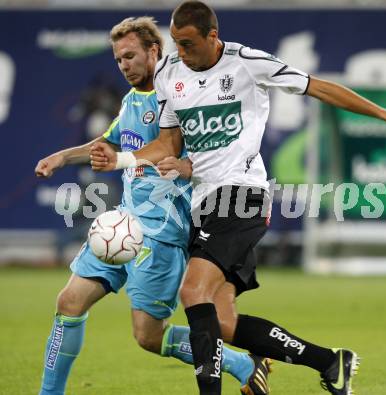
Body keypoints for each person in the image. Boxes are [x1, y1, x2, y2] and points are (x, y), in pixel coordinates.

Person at [90, 3, 386, 395]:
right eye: (176, 44)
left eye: (187, 44)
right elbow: (169, 140)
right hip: (205, 203)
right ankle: (330, 362)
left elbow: (318, 86)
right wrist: (123, 159)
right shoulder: (170, 73)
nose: (180, 53)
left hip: (242, 195)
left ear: (212, 36)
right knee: (221, 321)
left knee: (192, 292)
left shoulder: (247, 62)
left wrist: (385, 114)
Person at [35, 16, 271, 395]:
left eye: (130, 56)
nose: (124, 65)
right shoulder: (130, 101)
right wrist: (61, 158)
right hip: (121, 225)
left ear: (154, 51)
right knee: (69, 302)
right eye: (118, 60)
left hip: (160, 237)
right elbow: (108, 143)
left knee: (148, 337)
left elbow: (199, 156)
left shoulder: (181, 97)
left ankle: (241, 363)